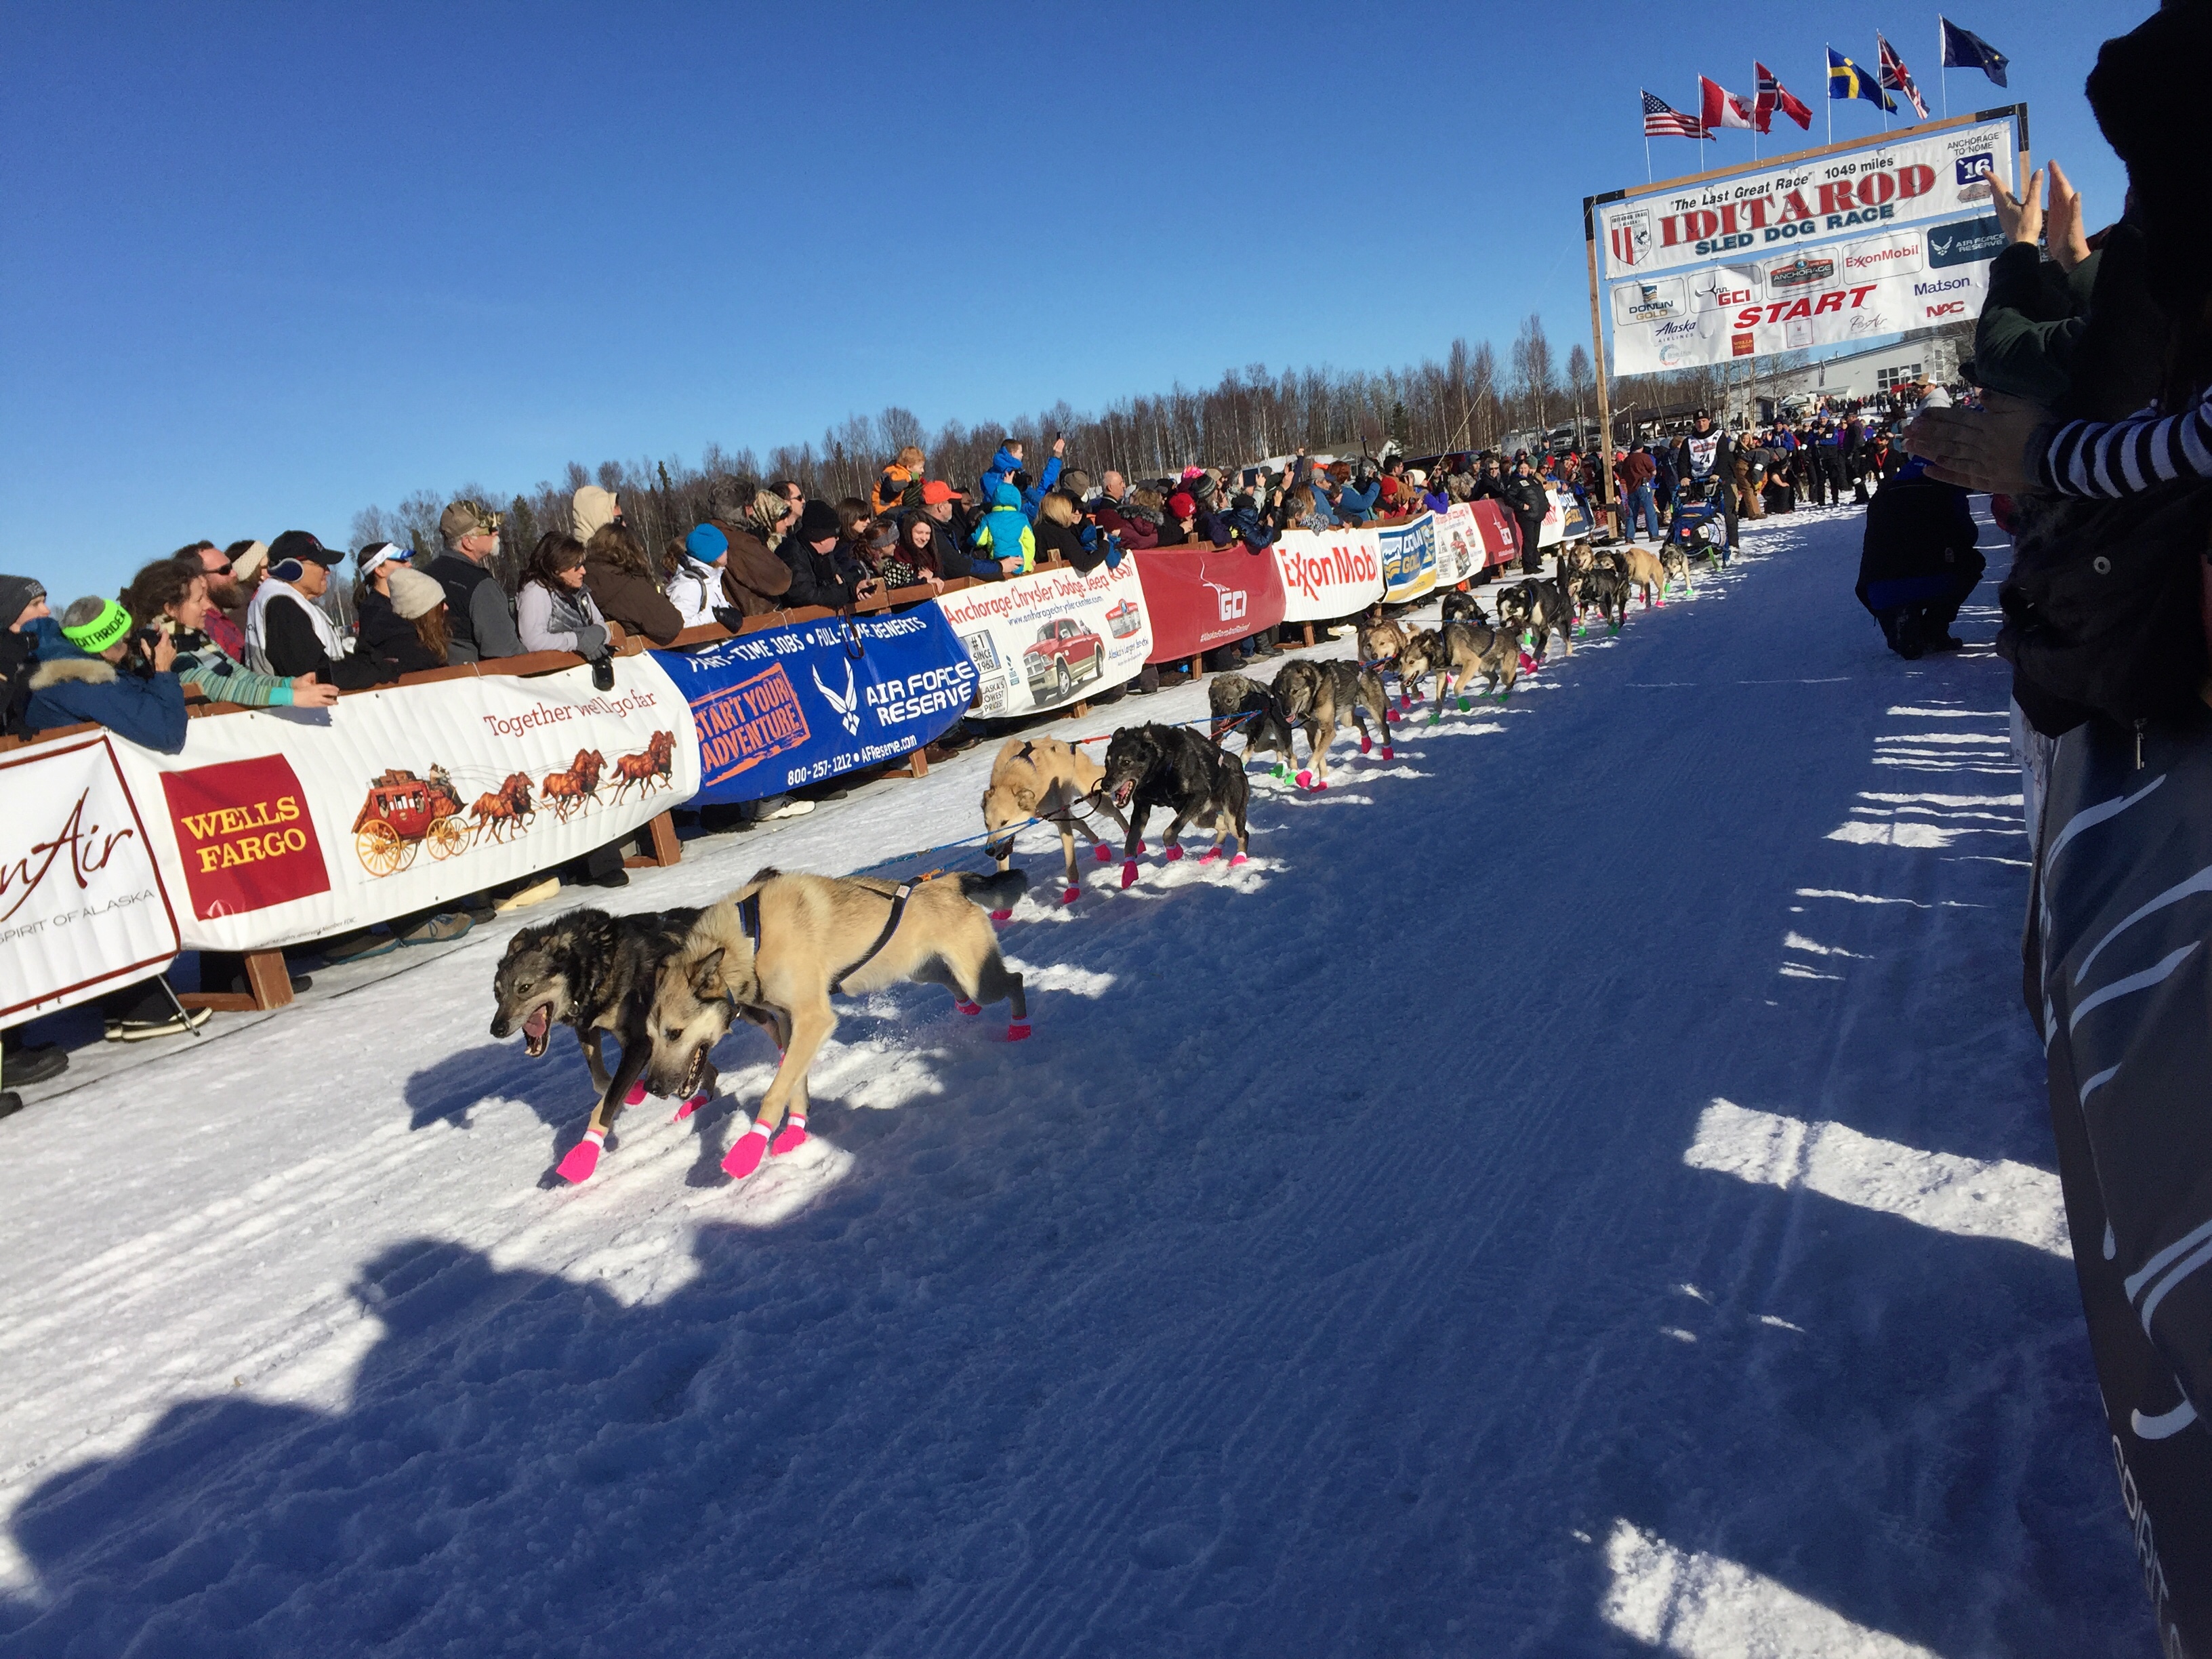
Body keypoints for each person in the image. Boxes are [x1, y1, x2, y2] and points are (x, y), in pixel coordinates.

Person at [121, 556, 341, 710]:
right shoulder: (160, 648)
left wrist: (290, 684)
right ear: (170, 608)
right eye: (198, 601)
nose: (206, 608)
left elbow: (242, 677)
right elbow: (217, 688)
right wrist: (292, 697)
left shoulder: (196, 639)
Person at [1851, 457, 1982, 658]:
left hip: (1878, 586)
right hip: (1934, 578)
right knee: (1973, 562)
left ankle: (1898, 627)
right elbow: (1968, 535)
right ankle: (1934, 628)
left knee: (1885, 572)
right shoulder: (1947, 489)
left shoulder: (1883, 494)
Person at [20, 596, 188, 752]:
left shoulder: (67, 664)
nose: (132, 647)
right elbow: (170, 735)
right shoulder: (89, 684)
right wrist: (163, 671)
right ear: (106, 651)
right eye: (128, 640)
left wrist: (148, 668)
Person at [245, 532, 393, 689]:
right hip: (298, 712)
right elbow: (314, 674)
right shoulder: (282, 606)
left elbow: (325, 663)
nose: (328, 571)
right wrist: (377, 671)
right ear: (292, 568)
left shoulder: (288, 601)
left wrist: (367, 661)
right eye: (320, 564)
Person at [428, 499, 525, 663]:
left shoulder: (424, 576)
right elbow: (505, 652)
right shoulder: (480, 584)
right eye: (489, 530)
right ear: (468, 542)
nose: (496, 533)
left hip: (434, 681)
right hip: (475, 682)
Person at [518, 531, 622, 659]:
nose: (583, 571)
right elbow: (533, 641)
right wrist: (576, 640)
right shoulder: (536, 591)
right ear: (557, 567)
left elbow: (600, 624)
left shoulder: (578, 589)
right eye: (576, 566)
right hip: (554, 674)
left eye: (582, 565)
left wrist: (600, 633)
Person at [703, 482, 798, 617]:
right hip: (758, 623)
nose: (752, 512)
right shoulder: (739, 542)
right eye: (748, 507)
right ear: (736, 511)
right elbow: (780, 579)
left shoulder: (705, 538)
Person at [582, 521, 682, 646]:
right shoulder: (626, 584)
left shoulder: (581, 577)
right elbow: (671, 624)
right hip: (633, 660)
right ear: (631, 549)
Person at [359, 566, 452, 676]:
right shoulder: (418, 656)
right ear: (422, 611)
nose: (446, 607)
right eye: (439, 604)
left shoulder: (387, 641)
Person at [1671, 411, 1739, 551]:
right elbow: (1682, 461)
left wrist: (1717, 474)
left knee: (1727, 512)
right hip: (1697, 482)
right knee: (1696, 513)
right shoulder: (1689, 441)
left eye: (1704, 421)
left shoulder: (1718, 435)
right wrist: (1684, 476)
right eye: (1698, 422)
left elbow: (1724, 456)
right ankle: (1699, 541)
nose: (1701, 424)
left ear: (1709, 420)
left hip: (1718, 481)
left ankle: (1733, 545)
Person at [779, 501, 865, 607]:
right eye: (835, 536)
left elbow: (839, 580)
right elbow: (804, 596)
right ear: (822, 539)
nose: (838, 539)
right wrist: (838, 594)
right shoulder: (791, 554)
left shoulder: (825, 554)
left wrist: (853, 590)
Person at [1, 574, 50, 736]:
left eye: (44, 602)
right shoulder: (8, 658)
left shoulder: (33, 655)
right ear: (9, 613)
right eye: (35, 604)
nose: (46, 611)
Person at [665, 525, 731, 630]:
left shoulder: (711, 579)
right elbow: (681, 628)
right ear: (714, 554)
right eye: (724, 548)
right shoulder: (690, 586)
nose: (727, 551)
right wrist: (714, 615)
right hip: (708, 646)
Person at [1501, 455, 1549, 575]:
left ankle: (1534, 562)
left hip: (1537, 515)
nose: (1523, 470)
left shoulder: (1534, 480)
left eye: (1525, 468)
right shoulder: (1515, 482)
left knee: (1535, 540)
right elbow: (1508, 497)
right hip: (1526, 516)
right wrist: (1522, 505)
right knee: (1528, 540)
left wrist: (1546, 505)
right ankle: (1528, 566)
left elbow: (1541, 494)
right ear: (1517, 469)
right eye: (1521, 468)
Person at [1618, 443, 1658, 541]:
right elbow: (1654, 471)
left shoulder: (1627, 460)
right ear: (1641, 448)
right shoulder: (1644, 457)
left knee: (1632, 513)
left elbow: (1623, 475)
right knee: (1649, 510)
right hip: (1643, 485)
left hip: (1631, 488)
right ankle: (1653, 535)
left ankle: (1629, 537)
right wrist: (1649, 478)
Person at [873, 445, 924, 516]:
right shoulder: (895, 472)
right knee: (910, 515)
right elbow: (894, 485)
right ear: (909, 467)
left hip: (894, 506)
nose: (923, 471)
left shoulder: (902, 472)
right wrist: (910, 477)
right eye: (920, 468)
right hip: (884, 508)